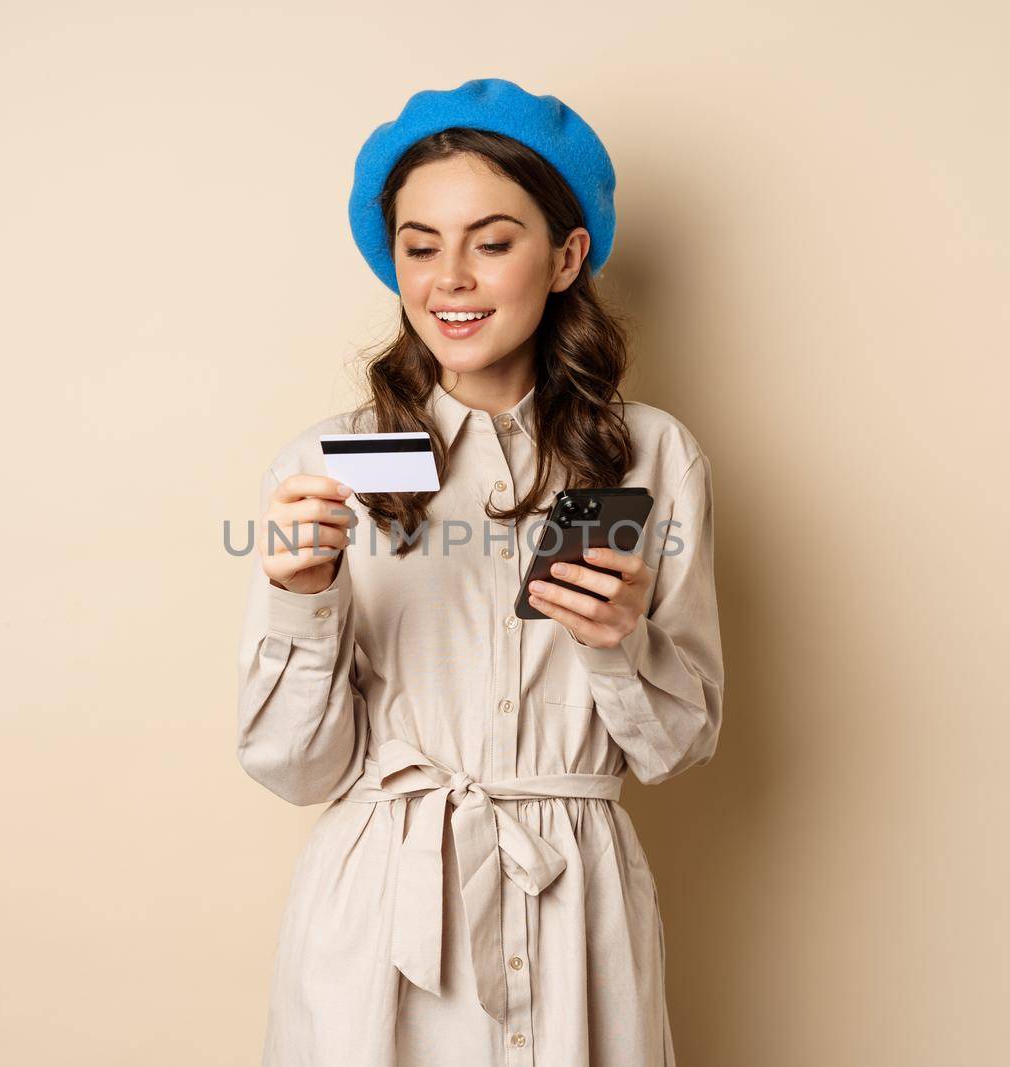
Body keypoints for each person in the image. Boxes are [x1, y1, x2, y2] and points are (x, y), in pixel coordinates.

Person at [235, 77, 725, 1066]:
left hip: (574, 909)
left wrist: (619, 639)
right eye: (420, 246)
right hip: (379, 916)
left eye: (491, 241)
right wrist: (301, 600)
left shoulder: (651, 456)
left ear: (565, 256)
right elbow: (295, 767)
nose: (449, 279)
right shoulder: (328, 461)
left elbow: (677, 744)